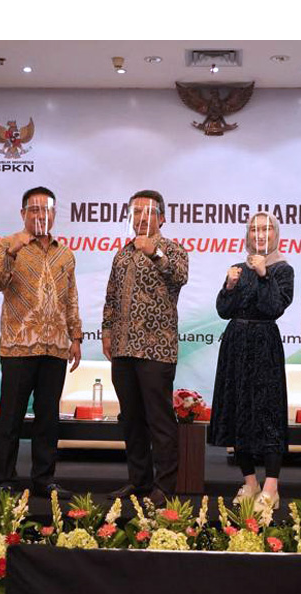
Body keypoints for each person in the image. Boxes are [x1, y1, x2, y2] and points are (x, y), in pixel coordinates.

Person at [0, 187, 82, 498]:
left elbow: (71, 298)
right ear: (23, 213)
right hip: (18, 347)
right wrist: (12, 253)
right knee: (11, 418)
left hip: (55, 347)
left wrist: (75, 336)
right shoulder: (6, 245)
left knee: (48, 419)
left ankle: (44, 479)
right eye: (34, 209)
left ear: (54, 214)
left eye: (47, 210)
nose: (41, 215)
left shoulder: (65, 254)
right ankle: (3, 478)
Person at [103, 190, 189, 506]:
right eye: (135, 212)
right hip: (123, 347)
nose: (141, 218)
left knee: (159, 420)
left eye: (148, 212)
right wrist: (107, 332)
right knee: (131, 419)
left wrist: (154, 253)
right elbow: (111, 296)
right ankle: (139, 481)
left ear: (162, 218)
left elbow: (179, 277)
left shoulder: (173, 250)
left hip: (156, 349)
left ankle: (165, 486)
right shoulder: (122, 254)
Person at [208, 212, 293, 513]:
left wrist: (264, 275)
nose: (260, 234)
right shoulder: (238, 268)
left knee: (268, 414)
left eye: (266, 229)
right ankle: (250, 482)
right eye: (254, 229)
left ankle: (272, 487)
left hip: (264, 345)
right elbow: (223, 310)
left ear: (275, 233)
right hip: (236, 346)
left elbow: (274, 307)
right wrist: (229, 286)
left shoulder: (283, 269)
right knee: (238, 411)